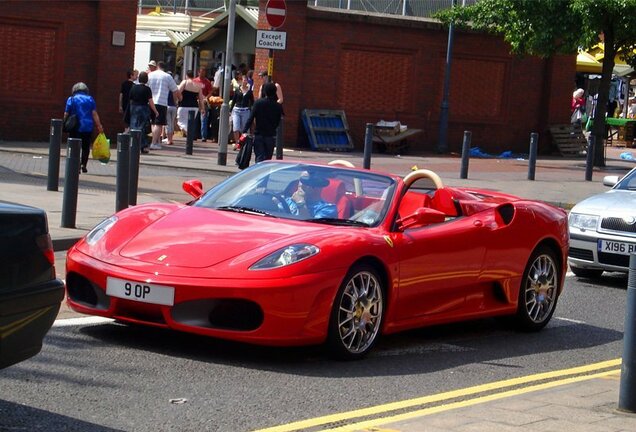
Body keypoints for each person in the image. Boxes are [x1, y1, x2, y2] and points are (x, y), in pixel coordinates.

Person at [63, 82, 104, 174]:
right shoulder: (90, 99)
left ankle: (76, 164)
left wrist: (64, 123)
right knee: (85, 147)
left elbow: (66, 113)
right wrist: (99, 126)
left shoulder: (71, 99)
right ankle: (83, 164)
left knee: (75, 146)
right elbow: (94, 113)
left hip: (75, 126)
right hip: (87, 126)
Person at [241, 83, 283, 162]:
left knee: (259, 157)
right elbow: (278, 121)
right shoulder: (277, 106)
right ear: (275, 92)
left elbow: (251, 118)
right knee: (267, 159)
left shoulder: (258, 103)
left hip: (259, 134)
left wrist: (244, 131)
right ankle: (266, 174)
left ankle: (259, 173)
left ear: (265, 92)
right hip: (270, 135)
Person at [148, 60, 181, 150]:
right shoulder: (167, 76)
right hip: (161, 102)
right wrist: (175, 101)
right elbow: (174, 90)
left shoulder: (150, 75)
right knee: (159, 124)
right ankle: (154, 142)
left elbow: (146, 86)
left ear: (157, 66)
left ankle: (156, 141)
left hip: (151, 102)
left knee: (153, 122)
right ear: (164, 67)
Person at [128, 71, 159, 154]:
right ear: (146, 80)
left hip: (134, 107)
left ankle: (133, 145)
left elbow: (130, 100)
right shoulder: (147, 89)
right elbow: (150, 102)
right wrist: (155, 111)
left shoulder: (133, 87)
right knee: (142, 128)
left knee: (134, 126)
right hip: (144, 108)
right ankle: (143, 146)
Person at [176, 70, 206, 137]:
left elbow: (178, 92)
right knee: (190, 123)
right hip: (194, 107)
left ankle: (188, 133)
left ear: (186, 75)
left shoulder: (185, 82)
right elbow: (201, 99)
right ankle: (189, 136)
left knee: (180, 122)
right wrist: (203, 108)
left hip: (184, 105)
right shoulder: (198, 85)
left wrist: (179, 99)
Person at [231, 73, 254, 145]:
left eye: (246, 80)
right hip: (236, 110)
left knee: (244, 128)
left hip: (245, 110)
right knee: (236, 127)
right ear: (241, 81)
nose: (245, 82)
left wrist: (252, 111)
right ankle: (237, 143)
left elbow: (252, 102)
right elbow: (234, 100)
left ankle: (243, 143)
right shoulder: (237, 90)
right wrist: (230, 110)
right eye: (244, 80)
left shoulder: (249, 92)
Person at [193, 67, 212, 142]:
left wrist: (206, 98)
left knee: (203, 120)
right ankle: (194, 135)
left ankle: (204, 136)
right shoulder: (195, 81)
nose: (203, 73)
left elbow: (210, 92)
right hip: (196, 102)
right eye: (201, 72)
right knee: (194, 119)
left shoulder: (207, 82)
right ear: (198, 72)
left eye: (204, 72)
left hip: (203, 103)